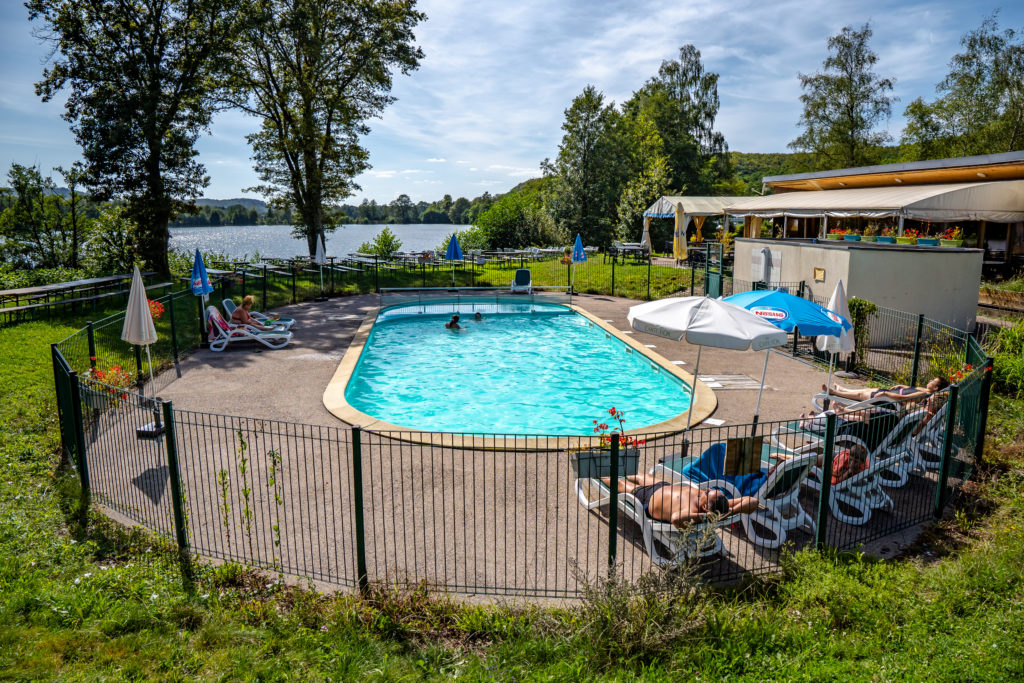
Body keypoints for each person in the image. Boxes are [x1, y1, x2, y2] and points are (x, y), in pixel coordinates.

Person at [601, 473, 758, 528]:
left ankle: (596, 472)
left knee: (620, 483)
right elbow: (753, 501)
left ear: (704, 508)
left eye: (708, 493)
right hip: (663, 486)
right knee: (642, 475)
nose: (707, 490)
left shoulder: (693, 512)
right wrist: (730, 512)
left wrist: (705, 517)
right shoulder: (721, 506)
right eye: (711, 490)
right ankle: (622, 465)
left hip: (648, 498)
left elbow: (676, 519)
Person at [825, 376, 949, 403]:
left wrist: (885, 393)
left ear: (936, 388)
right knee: (867, 389)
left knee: (862, 394)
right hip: (891, 393)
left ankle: (835, 393)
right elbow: (911, 389)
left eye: (932, 381)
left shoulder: (923, 394)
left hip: (889, 399)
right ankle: (843, 389)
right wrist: (903, 386)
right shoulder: (926, 391)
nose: (929, 380)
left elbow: (903, 398)